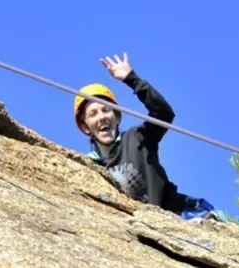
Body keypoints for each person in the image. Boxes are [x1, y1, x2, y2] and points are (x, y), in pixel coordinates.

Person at [74, 52, 224, 221]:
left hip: (175, 213)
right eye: (93, 114)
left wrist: (131, 79)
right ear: (84, 126)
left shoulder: (138, 137)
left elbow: (164, 113)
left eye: (106, 110)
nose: (101, 117)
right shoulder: (91, 166)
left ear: (117, 117)